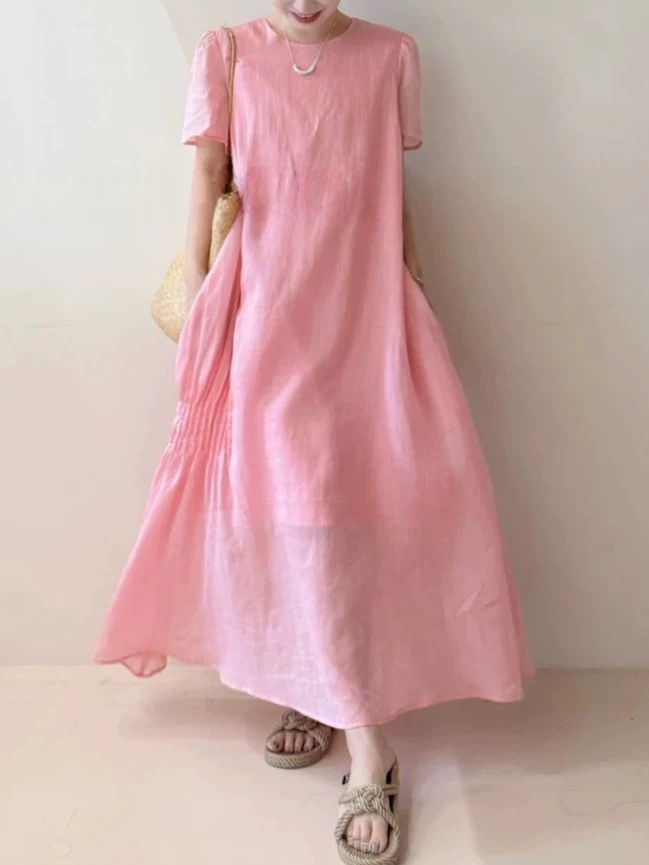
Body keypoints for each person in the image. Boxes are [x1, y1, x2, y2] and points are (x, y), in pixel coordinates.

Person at [95, 3, 533, 863]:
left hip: (364, 306)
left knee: (366, 497)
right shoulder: (226, 54)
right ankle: (354, 728)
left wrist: (411, 286)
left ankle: (330, 693)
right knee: (288, 503)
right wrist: (203, 304)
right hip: (265, 310)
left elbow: (388, 185)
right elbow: (207, 176)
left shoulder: (392, 55)